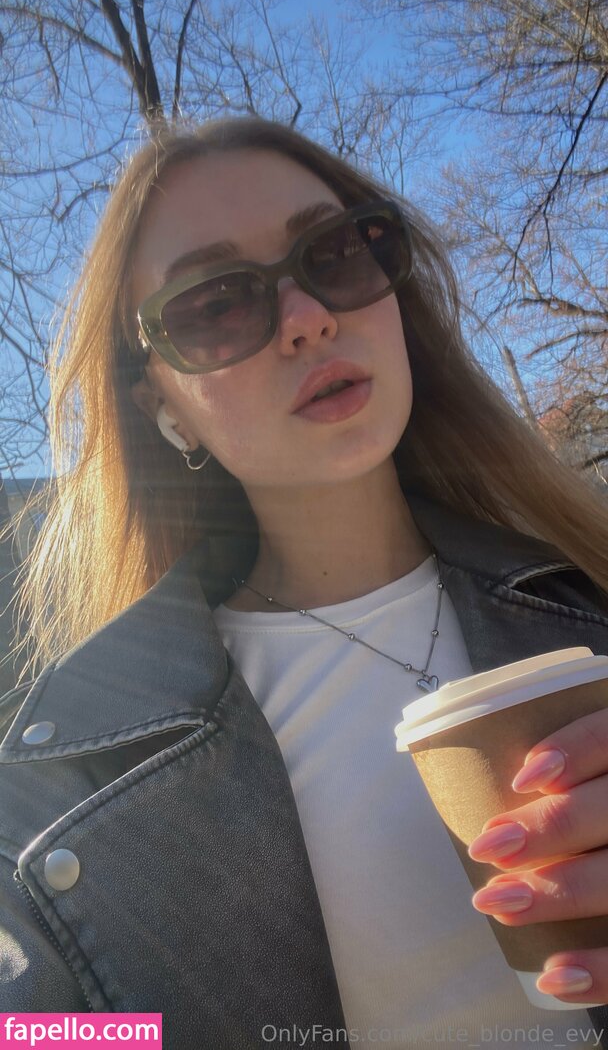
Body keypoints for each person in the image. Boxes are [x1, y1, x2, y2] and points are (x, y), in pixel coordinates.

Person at [1, 115, 608, 1050]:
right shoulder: (72, 780)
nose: (308, 318)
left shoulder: (589, 593)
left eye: (336, 252)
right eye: (215, 304)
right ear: (164, 405)